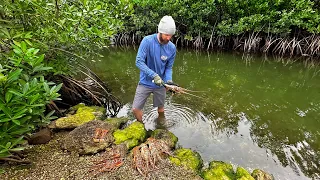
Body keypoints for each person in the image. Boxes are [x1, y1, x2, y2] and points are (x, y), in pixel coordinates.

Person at [132, 15, 177, 125]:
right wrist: (154, 75)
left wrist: (169, 82)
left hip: (161, 84)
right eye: (166, 35)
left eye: (170, 35)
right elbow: (139, 62)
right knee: (135, 108)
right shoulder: (147, 41)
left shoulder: (171, 48)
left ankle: (161, 126)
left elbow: (168, 67)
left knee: (161, 108)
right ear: (160, 31)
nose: (168, 38)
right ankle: (141, 125)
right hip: (145, 82)